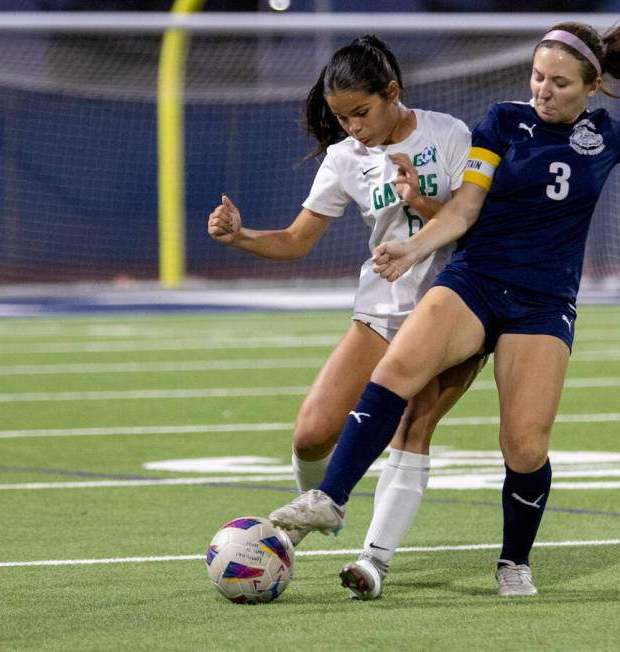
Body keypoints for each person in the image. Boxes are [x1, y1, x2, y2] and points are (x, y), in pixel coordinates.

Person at [269, 13, 620, 597]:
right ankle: (330, 498)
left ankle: (513, 561)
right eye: (537, 76)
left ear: (591, 86)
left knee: (525, 445)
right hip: (476, 280)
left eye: (559, 82)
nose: (542, 90)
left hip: (542, 303)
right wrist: (412, 247)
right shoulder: (502, 123)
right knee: (395, 370)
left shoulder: (607, 137)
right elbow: (463, 209)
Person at [208, 35, 484, 600]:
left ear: (392, 92)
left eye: (361, 113)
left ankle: (373, 562)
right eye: (341, 118)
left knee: (412, 429)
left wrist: (421, 202)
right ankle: (311, 523)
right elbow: (294, 241)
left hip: (452, 309)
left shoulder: (449, 134)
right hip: (380, 312)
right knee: (311, 435)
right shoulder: (343, 159)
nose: (353, 127)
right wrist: (240, 237)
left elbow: (474, 225)